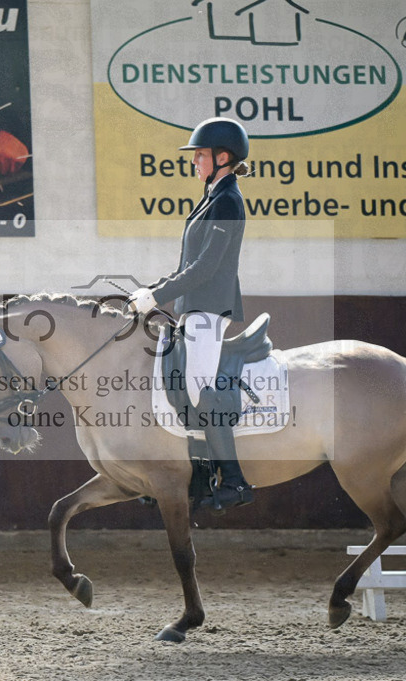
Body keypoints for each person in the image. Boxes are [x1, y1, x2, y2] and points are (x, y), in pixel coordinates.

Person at [126, 117, 254, 510]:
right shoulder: (211, 197)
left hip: (209, 309)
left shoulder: (228, 201)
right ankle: (194, 473)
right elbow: (188, 264)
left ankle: (233, 481)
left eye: (200, 155)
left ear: (223, 157)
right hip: (192, 308)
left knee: (198, 389)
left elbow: (205, 268)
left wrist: (159, 295)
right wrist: (151, 291)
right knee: (170, 384)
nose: (194, 161)